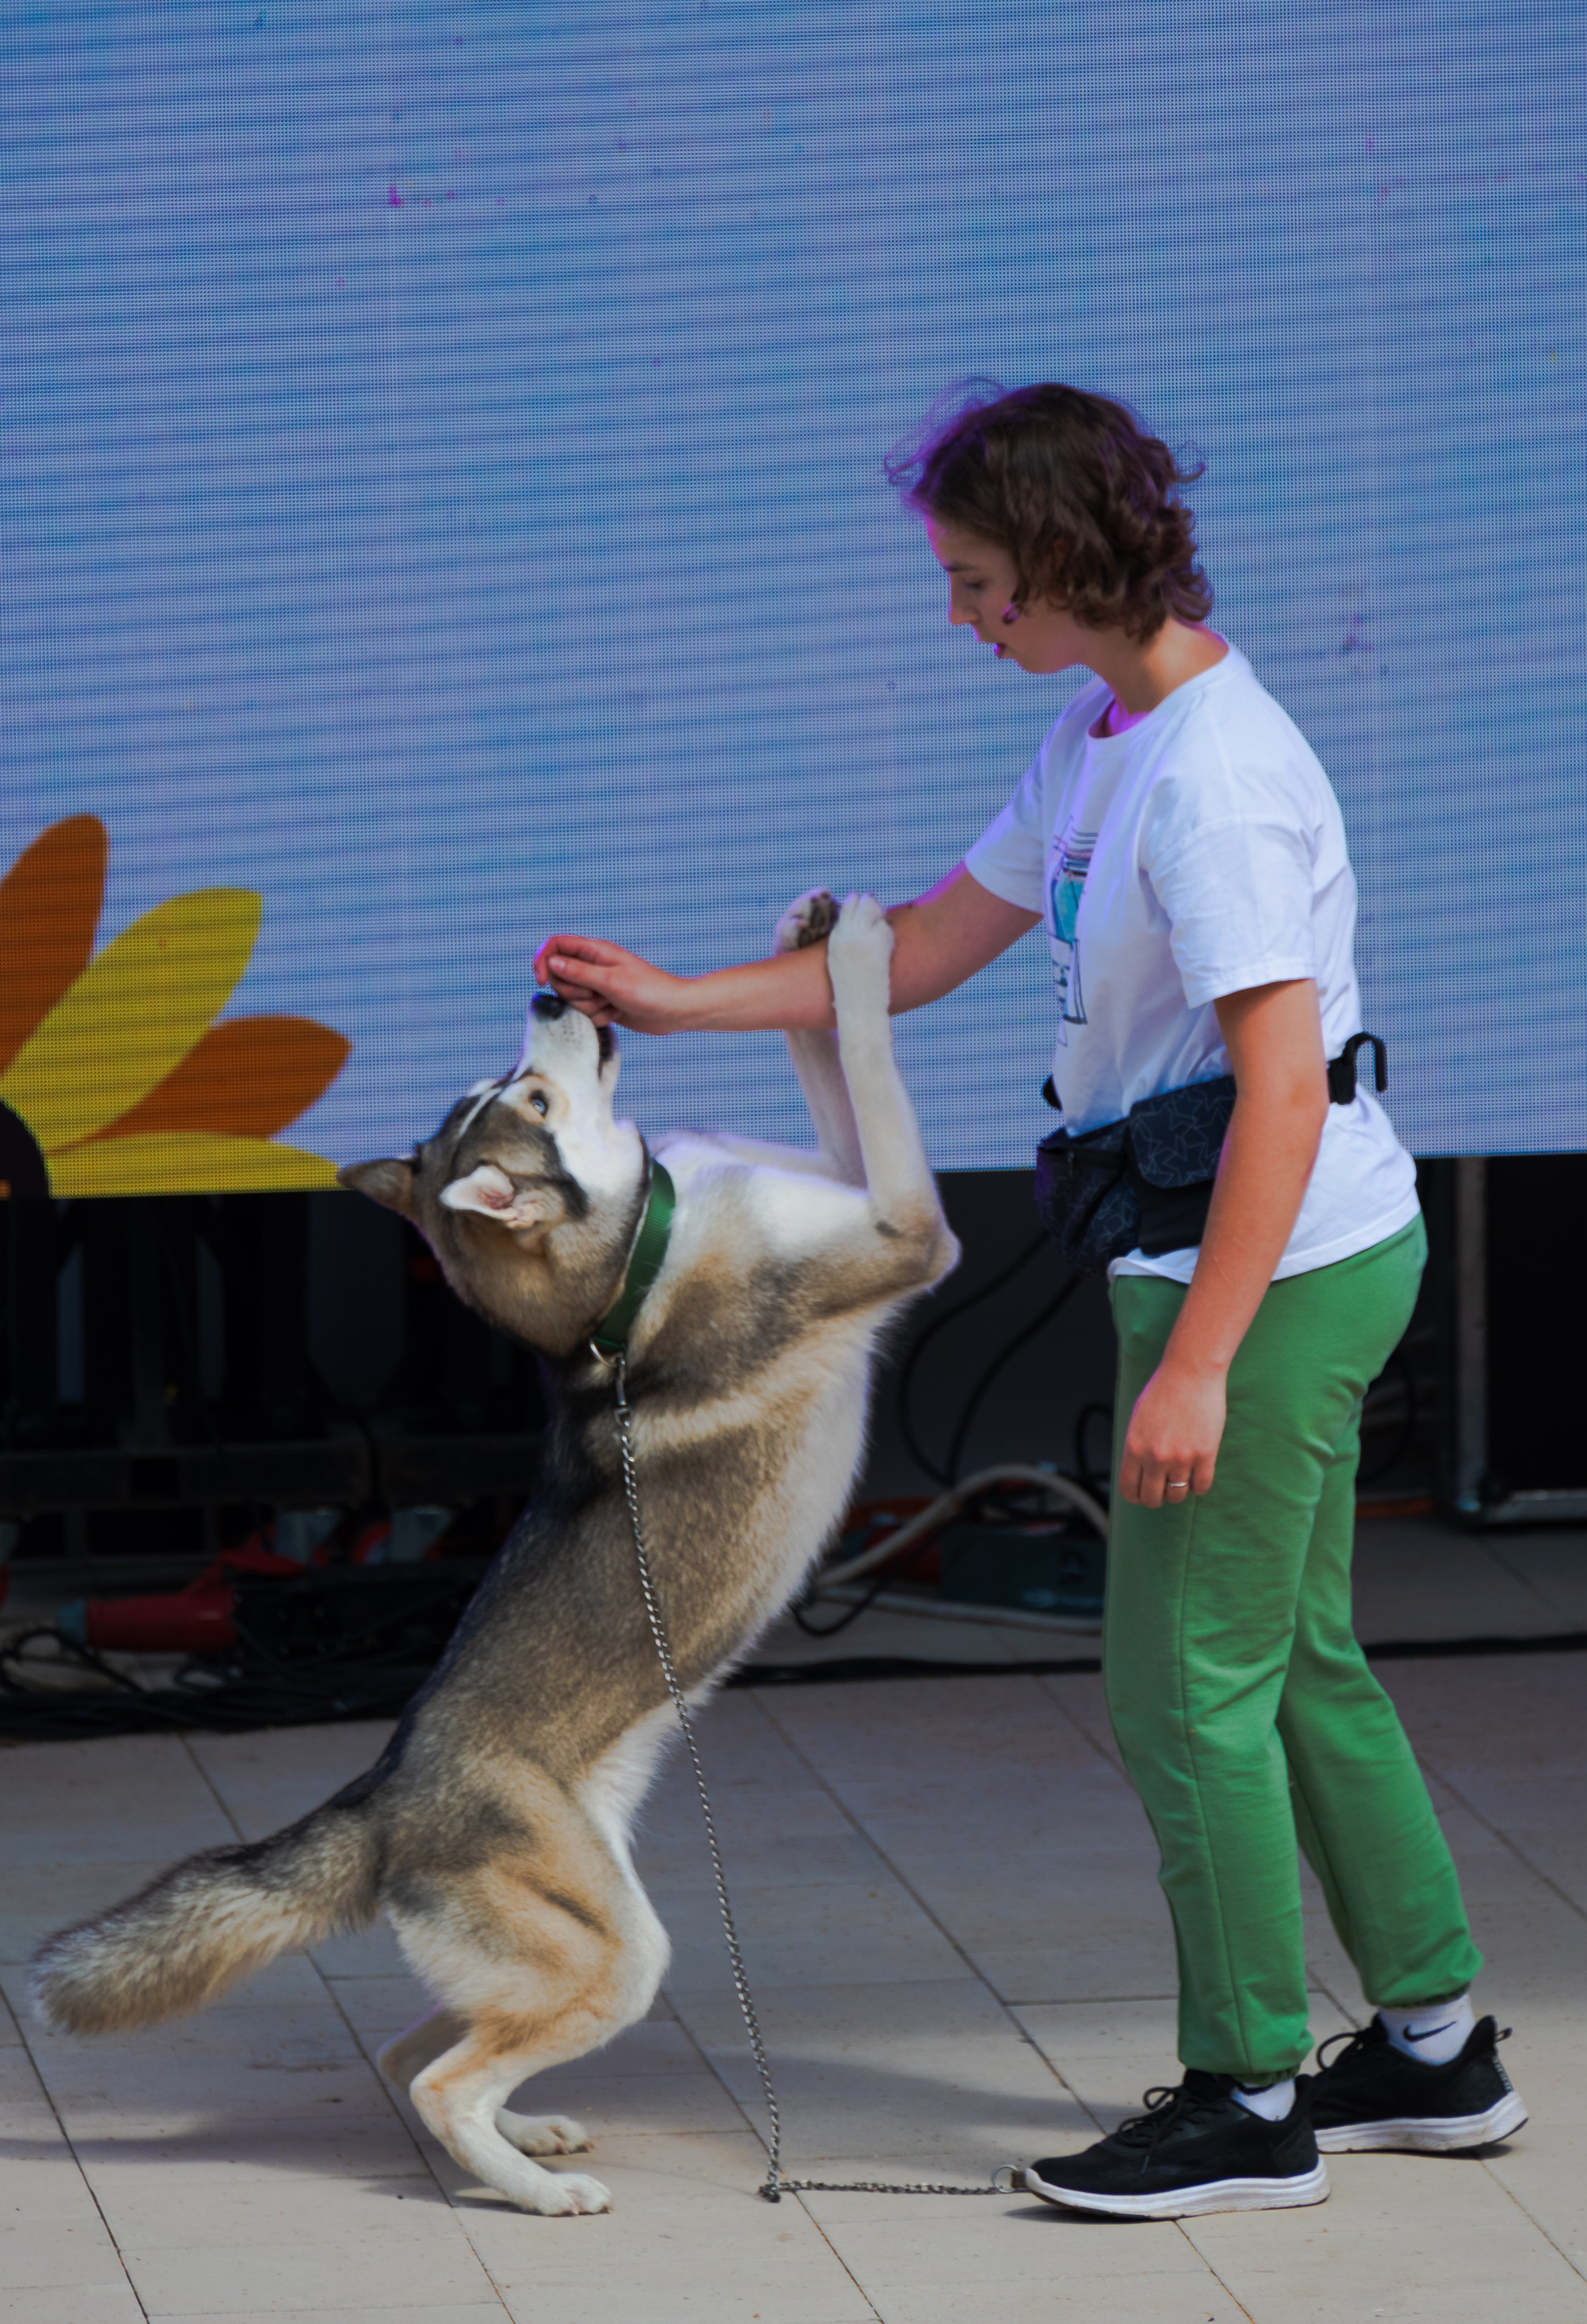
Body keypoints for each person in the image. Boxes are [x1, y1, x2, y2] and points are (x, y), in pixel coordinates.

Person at [533, 384, 1526, 2218]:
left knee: (1181, 1688)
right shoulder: (1102, 732)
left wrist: (1201, 1364)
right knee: (1290, 1660)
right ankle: (1435, 2045)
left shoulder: (1214, 780)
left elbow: (1286, 1095)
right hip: (1239, 1248)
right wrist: (673, 1000)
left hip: (1276, 1266)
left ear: (1070, 561)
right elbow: (909, 951)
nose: (964, 615)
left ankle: (1245, 2100)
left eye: (982, 583)